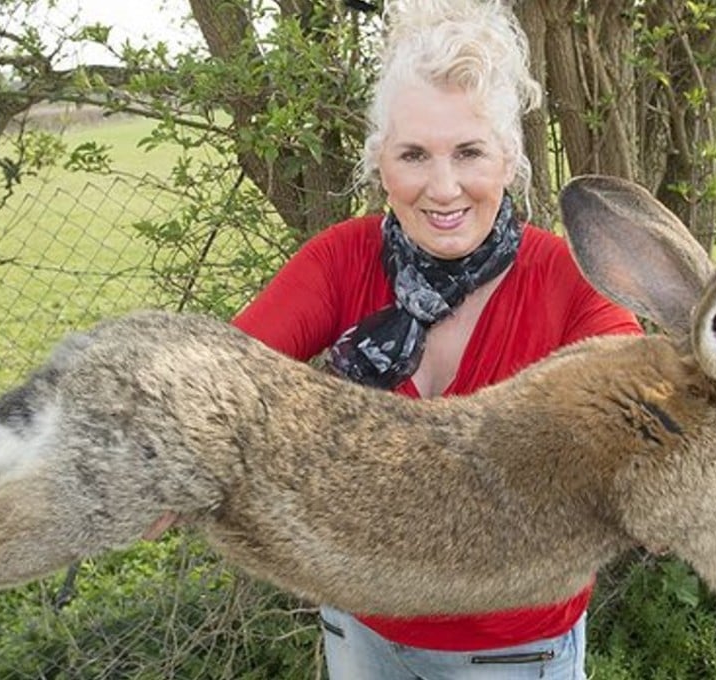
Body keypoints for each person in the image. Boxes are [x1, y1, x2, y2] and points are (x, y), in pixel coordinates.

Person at [231, 0, 641, 677]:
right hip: (360, 626)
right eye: (414, 154)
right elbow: (214, 382)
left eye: (469, 152)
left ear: (509, 160)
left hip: (514, 651)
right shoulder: (342, 260)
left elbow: (640, 422)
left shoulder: (569, 283)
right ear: (380, 163)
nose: (443, 188)